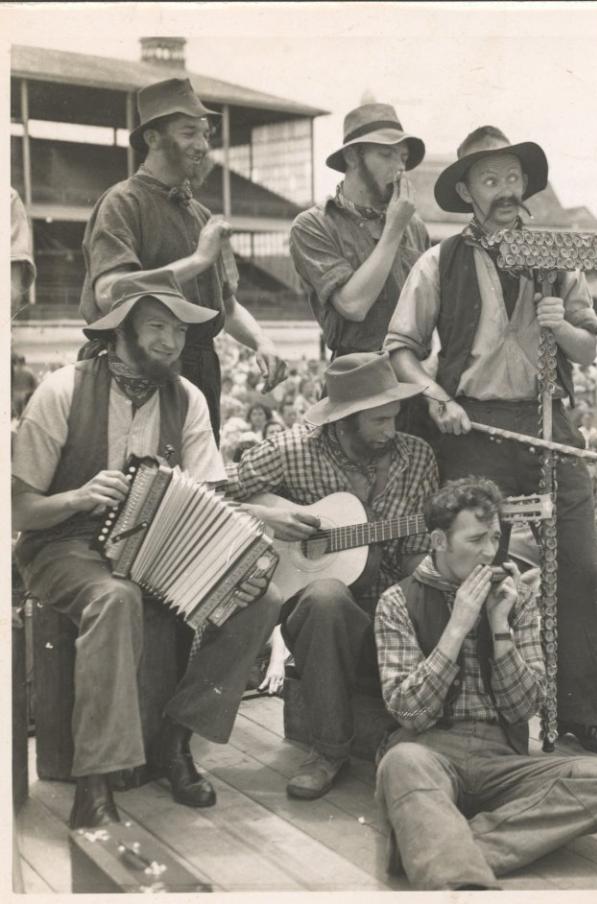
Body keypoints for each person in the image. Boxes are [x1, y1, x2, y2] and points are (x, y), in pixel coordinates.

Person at [11, 270, 281, 829]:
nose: (170, 341)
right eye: (157, 326)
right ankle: (96, 779)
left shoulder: (187, 399)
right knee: (115, 600)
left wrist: (255, 542)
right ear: (120, 332)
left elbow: (212, 499)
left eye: (179, 331)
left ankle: (175, 740)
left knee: (260, 597)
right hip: (65, 548)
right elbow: (18, 512)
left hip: (162, 555)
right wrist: (79, 497)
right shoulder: (61, 390)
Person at [386, 126, 597, 755]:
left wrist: (560, 327)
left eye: (513, 178)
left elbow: (589, 347)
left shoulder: (558, 254)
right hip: (473, 429)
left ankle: (583, 715)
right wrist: (435, 397)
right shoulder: (438, 262)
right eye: (489, 180)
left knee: (578, 566)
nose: (504, 191)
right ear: (466, 191)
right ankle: (486, 714)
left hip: (548, 420)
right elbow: (401, 350)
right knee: (476, 571)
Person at [373, 478, 597, 891]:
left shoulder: (516, 600)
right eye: (475, 539)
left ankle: (429, 846)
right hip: (430, 751)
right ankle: (461, 882)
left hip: (503, 757)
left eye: (495, 538)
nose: (489, 552)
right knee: (401, 763)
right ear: (439, 540)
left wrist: (499, 627)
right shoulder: (397, 601)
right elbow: (408, 711)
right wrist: (457, 627)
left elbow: (523, 707)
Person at [226, 353, 439, 798]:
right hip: (317, 611)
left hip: (392, 602)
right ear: (343, 421)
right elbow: (212, 496)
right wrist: (267, 517)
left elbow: (418, 552)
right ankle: (328, 751)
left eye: (393, 416)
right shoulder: (290, 450)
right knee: (326, 596)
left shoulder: (417, 457)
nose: (391, 430)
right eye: (378, 421)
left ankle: (429, 742)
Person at [80, 78, 286, 439]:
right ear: (152, 138)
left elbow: (228, 305)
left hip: (203, 366)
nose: (203, 146)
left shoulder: (203, 215)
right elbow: (108, 293)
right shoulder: (122, 202)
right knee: (145, 481)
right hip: (144, 365)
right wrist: (197, 260)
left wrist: (262, 342)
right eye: (189, 133)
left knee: (199, 483)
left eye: (206, 135)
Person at [289, 103, 430, 361]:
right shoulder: (313, 225)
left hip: (414, 373)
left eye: (403, 157)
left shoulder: (415, 226)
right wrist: (393, 230)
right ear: (353, 156)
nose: (399, 167)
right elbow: (353, 306)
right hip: (356, 377)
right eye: (386, 155)